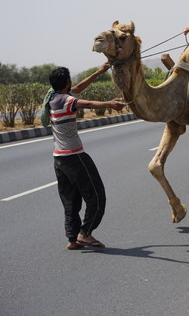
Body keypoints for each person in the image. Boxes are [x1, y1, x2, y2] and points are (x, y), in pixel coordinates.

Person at [46, 65, 126, 250]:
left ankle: (72, 239)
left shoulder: (52, 98)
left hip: (59, 159)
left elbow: (80, 88)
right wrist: (110, 104)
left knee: (70, 201)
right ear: (67, 82)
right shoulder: (68, 100)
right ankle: (85, 233)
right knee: (97, 197)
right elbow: (87, 103)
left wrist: (100, 71)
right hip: (75, 157)